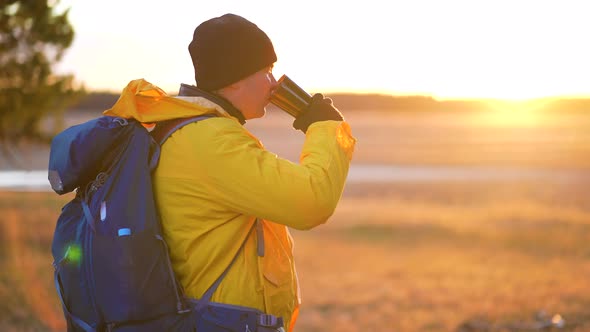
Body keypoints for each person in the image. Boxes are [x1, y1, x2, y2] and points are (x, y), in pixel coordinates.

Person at [105, 13, 355, 331]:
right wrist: (325, 127)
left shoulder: (186, 127)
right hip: (220, 320)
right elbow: (312, 200)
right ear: (234, 77)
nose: (273, 83)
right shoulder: (210, 141)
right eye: (266, 71)